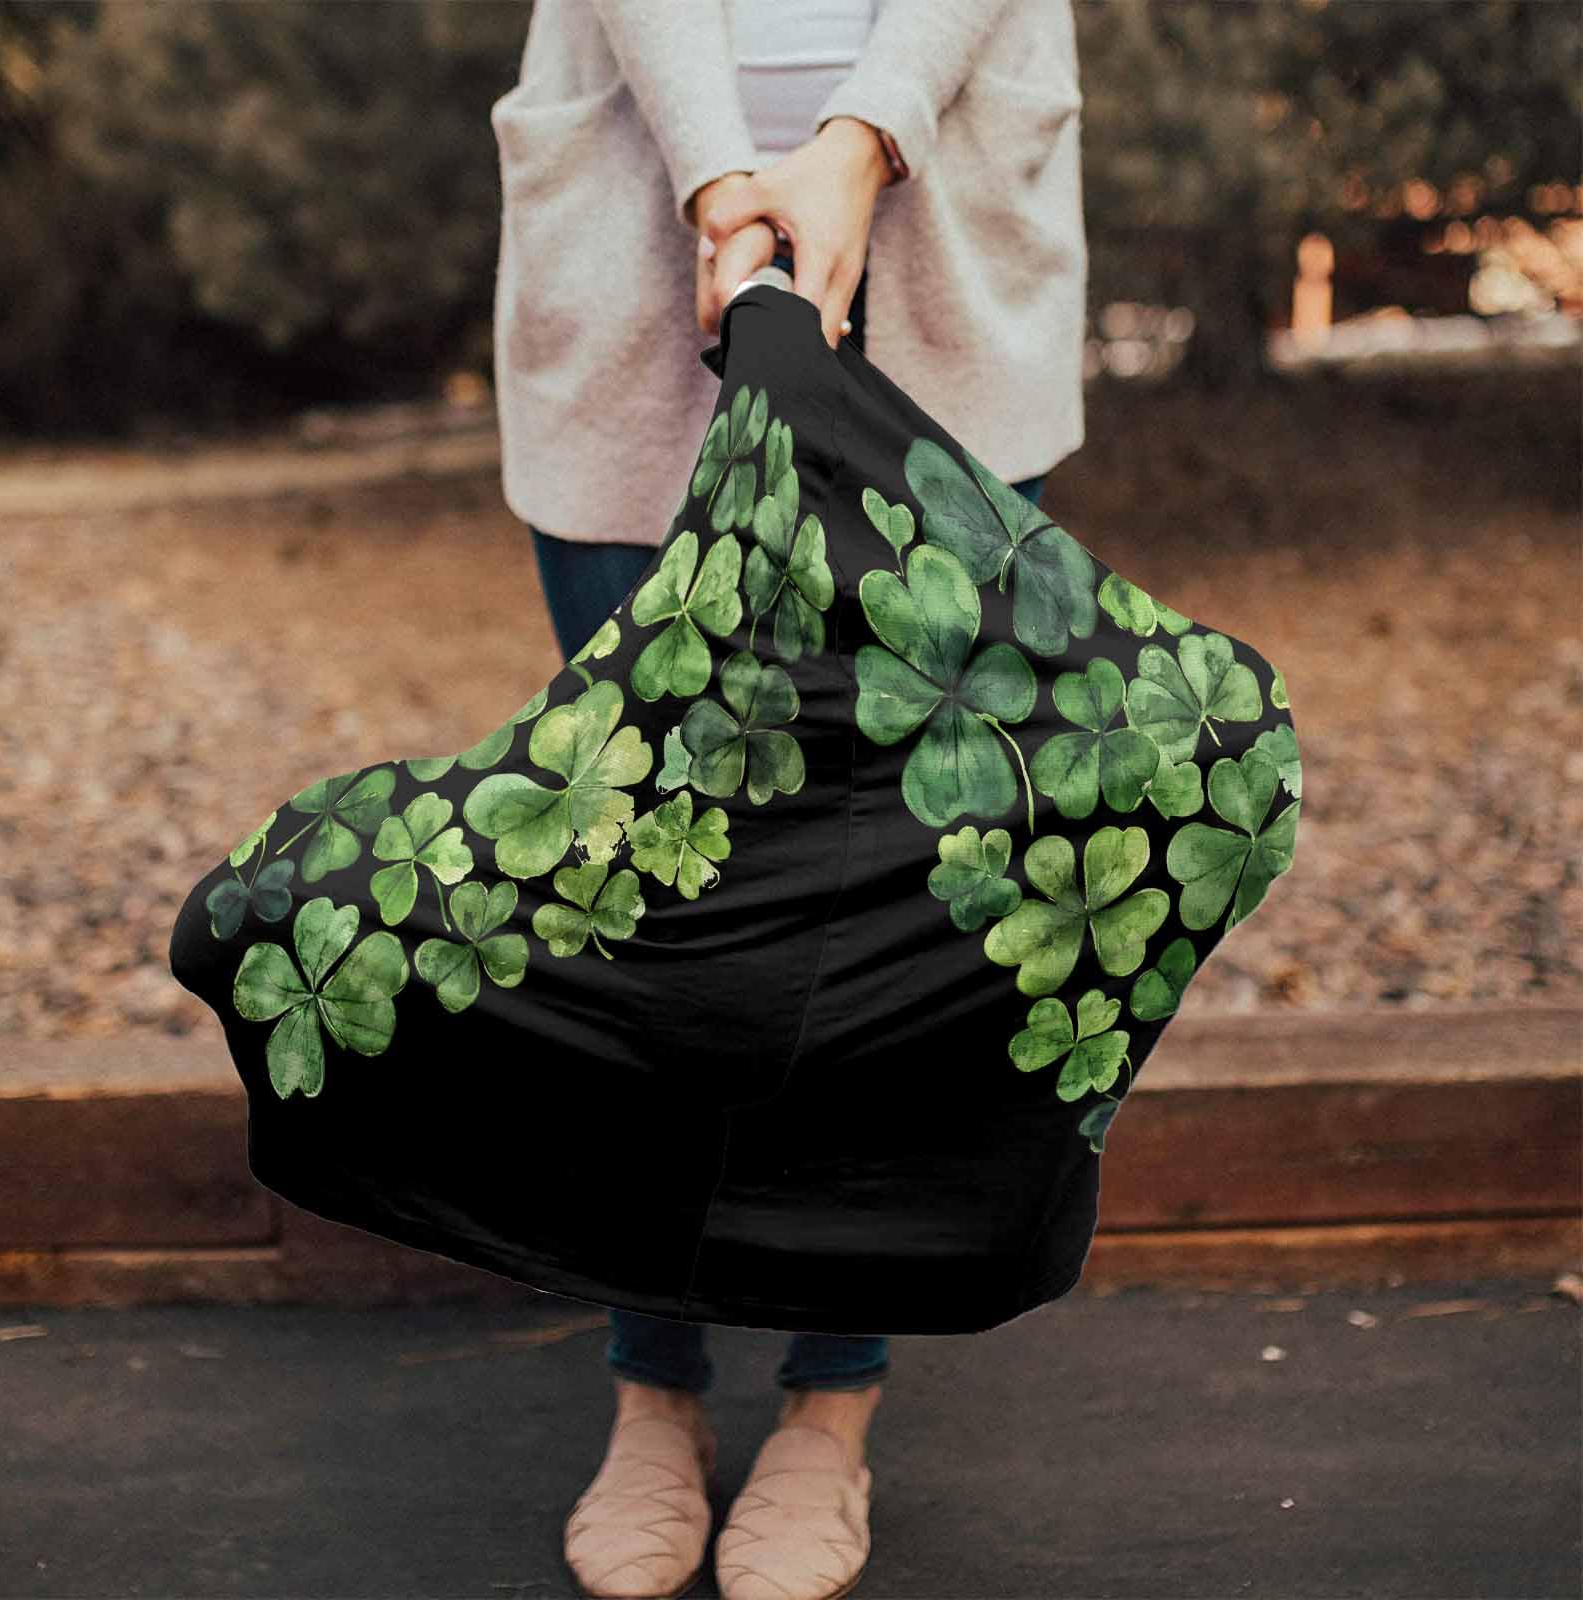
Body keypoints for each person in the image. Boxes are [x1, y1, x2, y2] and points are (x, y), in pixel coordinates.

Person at [488, 3, 1085, 1595]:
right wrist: (719, 180)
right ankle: (653, 1384)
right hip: (638, 222)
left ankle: (833, 1400)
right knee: (639, 872)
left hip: (944, 234)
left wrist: (862, 141)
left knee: (900, 880)